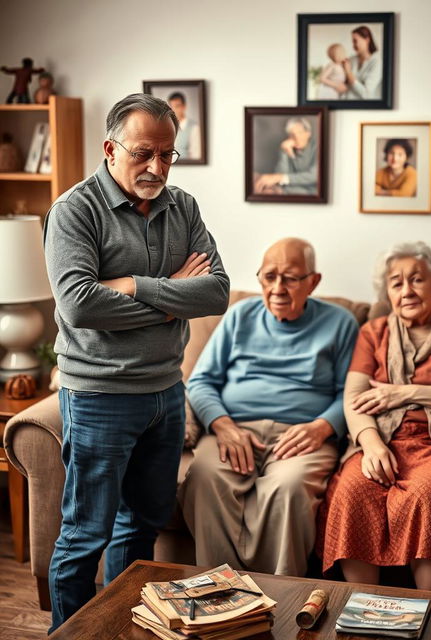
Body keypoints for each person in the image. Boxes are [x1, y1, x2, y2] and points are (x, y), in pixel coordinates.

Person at [44, 93, 230, 631]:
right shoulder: (75, 210)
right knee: (85, 536)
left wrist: (134, 287)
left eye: (168, 155)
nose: (158, 167)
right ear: (110, 149)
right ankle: (69, 634)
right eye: (145, 153)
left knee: (141, 526)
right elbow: (78, 304)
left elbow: (215, 292)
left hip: (166, 394)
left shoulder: (184, 206)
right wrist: (173, 293)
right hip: (99, 396)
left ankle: (124, 628)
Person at [178, 238, 359, 577]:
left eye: (290, 278)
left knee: (288, 488)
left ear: (313, 281)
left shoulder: (341, 323)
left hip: (302, 436)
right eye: (269, 276)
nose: (277, 287)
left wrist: (322, 427)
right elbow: (201, 381)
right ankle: (218, 591)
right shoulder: (240, 315)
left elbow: (349, 393)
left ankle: (283, 591)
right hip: (233, 430)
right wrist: (223, 425)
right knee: (204, 477)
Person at [317, 242, 431, 591]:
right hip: (382, 437)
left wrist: (402, 392)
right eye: (396, 283)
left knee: (429, 492)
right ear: (387, 293)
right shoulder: (374, 333)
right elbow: (355, 398)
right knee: (354, 489)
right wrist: (371, 445)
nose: (406, 290)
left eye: (417, 280)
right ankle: (362, 604)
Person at [253, 117, 318, 195]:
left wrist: (279, 178)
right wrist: (284, 152)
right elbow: (280, 174)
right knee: (255, 178)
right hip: (289, 189)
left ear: (308, 134)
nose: (296, 137)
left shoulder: (318, 147)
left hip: (310, 192)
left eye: (300, 132)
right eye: (292, 134)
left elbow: (314, 176)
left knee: (268, 189)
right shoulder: (287, 147)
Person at [342, 25, 382, 100]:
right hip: (345, 105)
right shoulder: (351, 60)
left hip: (365, 108)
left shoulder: (377, 62)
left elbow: (366, 94)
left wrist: (348, 73)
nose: (353, 45)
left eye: (355, 41)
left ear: (367, 40)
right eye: (352, 42)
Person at [167, 91, 202, 160]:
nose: (173, 110)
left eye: (177, 106)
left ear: (184, 107)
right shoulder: (166, 127)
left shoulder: (194, 128)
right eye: (171, 107)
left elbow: (196, 156)